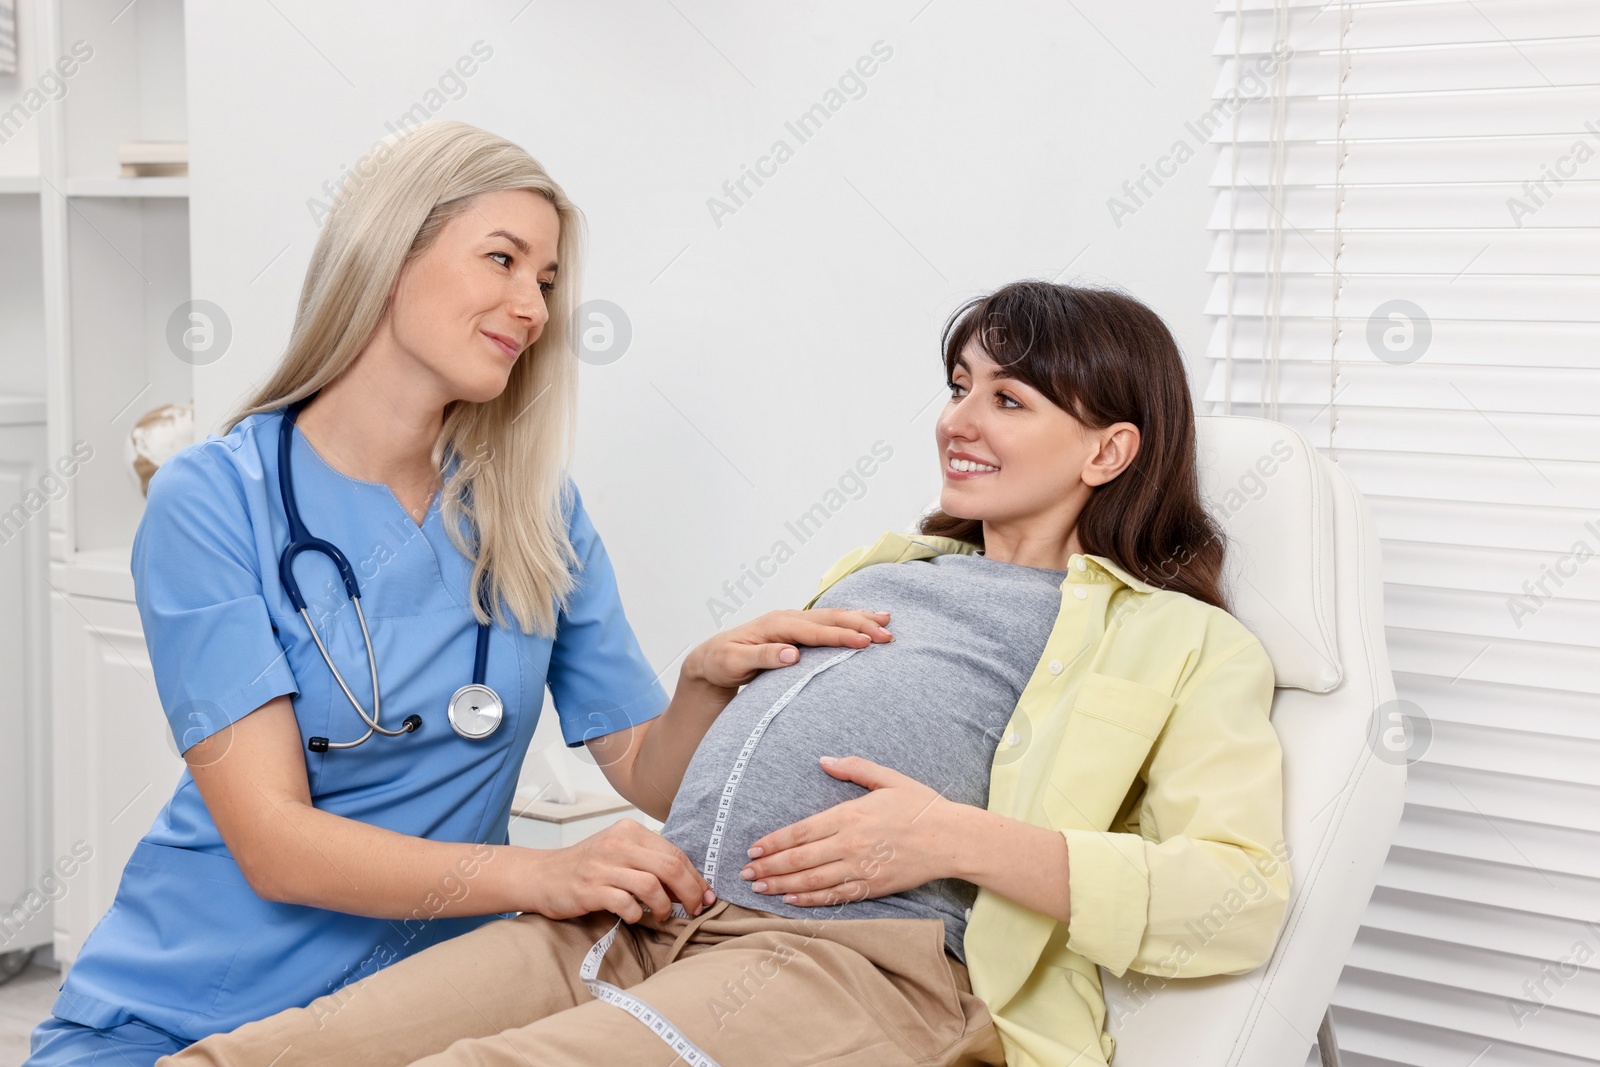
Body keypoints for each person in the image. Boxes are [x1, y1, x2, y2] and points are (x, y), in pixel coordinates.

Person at [160, 281, 1291, 1067]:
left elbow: (1234, 900)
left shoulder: (1179, 642)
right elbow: (690, 787)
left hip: (852, 963)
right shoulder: (888, 567)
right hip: (649, 912)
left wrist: (953, 838)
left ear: (1108, 449)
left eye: (1009, 398)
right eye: (958, 385)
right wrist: (702, 682)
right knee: (254, 1054)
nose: (959, 419)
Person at [25, 121, 893, 1067]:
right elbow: (273, 840)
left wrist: (701, 685)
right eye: (503, 260)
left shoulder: (532, 509)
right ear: (389, 256)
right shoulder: (214, 500)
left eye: (548, 282)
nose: (532, 306)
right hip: (191, 1014)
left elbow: (643, 766)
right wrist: (546, 873)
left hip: (424, 1021)